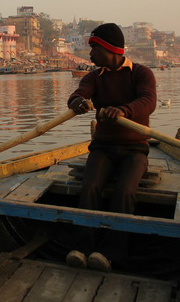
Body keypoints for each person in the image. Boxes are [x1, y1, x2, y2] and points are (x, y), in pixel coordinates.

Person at [65, 23, 156, 272]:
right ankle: (82, 248)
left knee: (125, 191)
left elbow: (148, 101)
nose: (90, 54)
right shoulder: (94, 76)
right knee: (90, 187)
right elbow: (79, 93)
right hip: (103, 148)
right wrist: (78, 102)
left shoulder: (141, 73)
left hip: (135, 149)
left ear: (111, 49)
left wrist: (124, 110)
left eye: (95, 48)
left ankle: (111, 253)